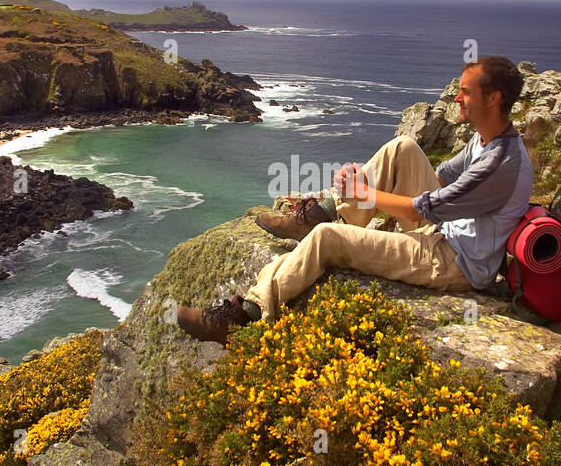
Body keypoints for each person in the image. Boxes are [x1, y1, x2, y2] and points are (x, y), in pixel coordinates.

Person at [173, 56, 534, 344]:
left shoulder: (500, 163)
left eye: (466, 92)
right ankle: (327, 212)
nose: (456, 97)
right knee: (403, 147)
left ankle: (246, 315)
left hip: (455, 262)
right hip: (443, 231)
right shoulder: (485, 138)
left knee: (327, 239)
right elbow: (438, 182)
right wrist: (362, 183)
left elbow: (423, 207)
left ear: (494, 98)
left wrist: (366, 193)